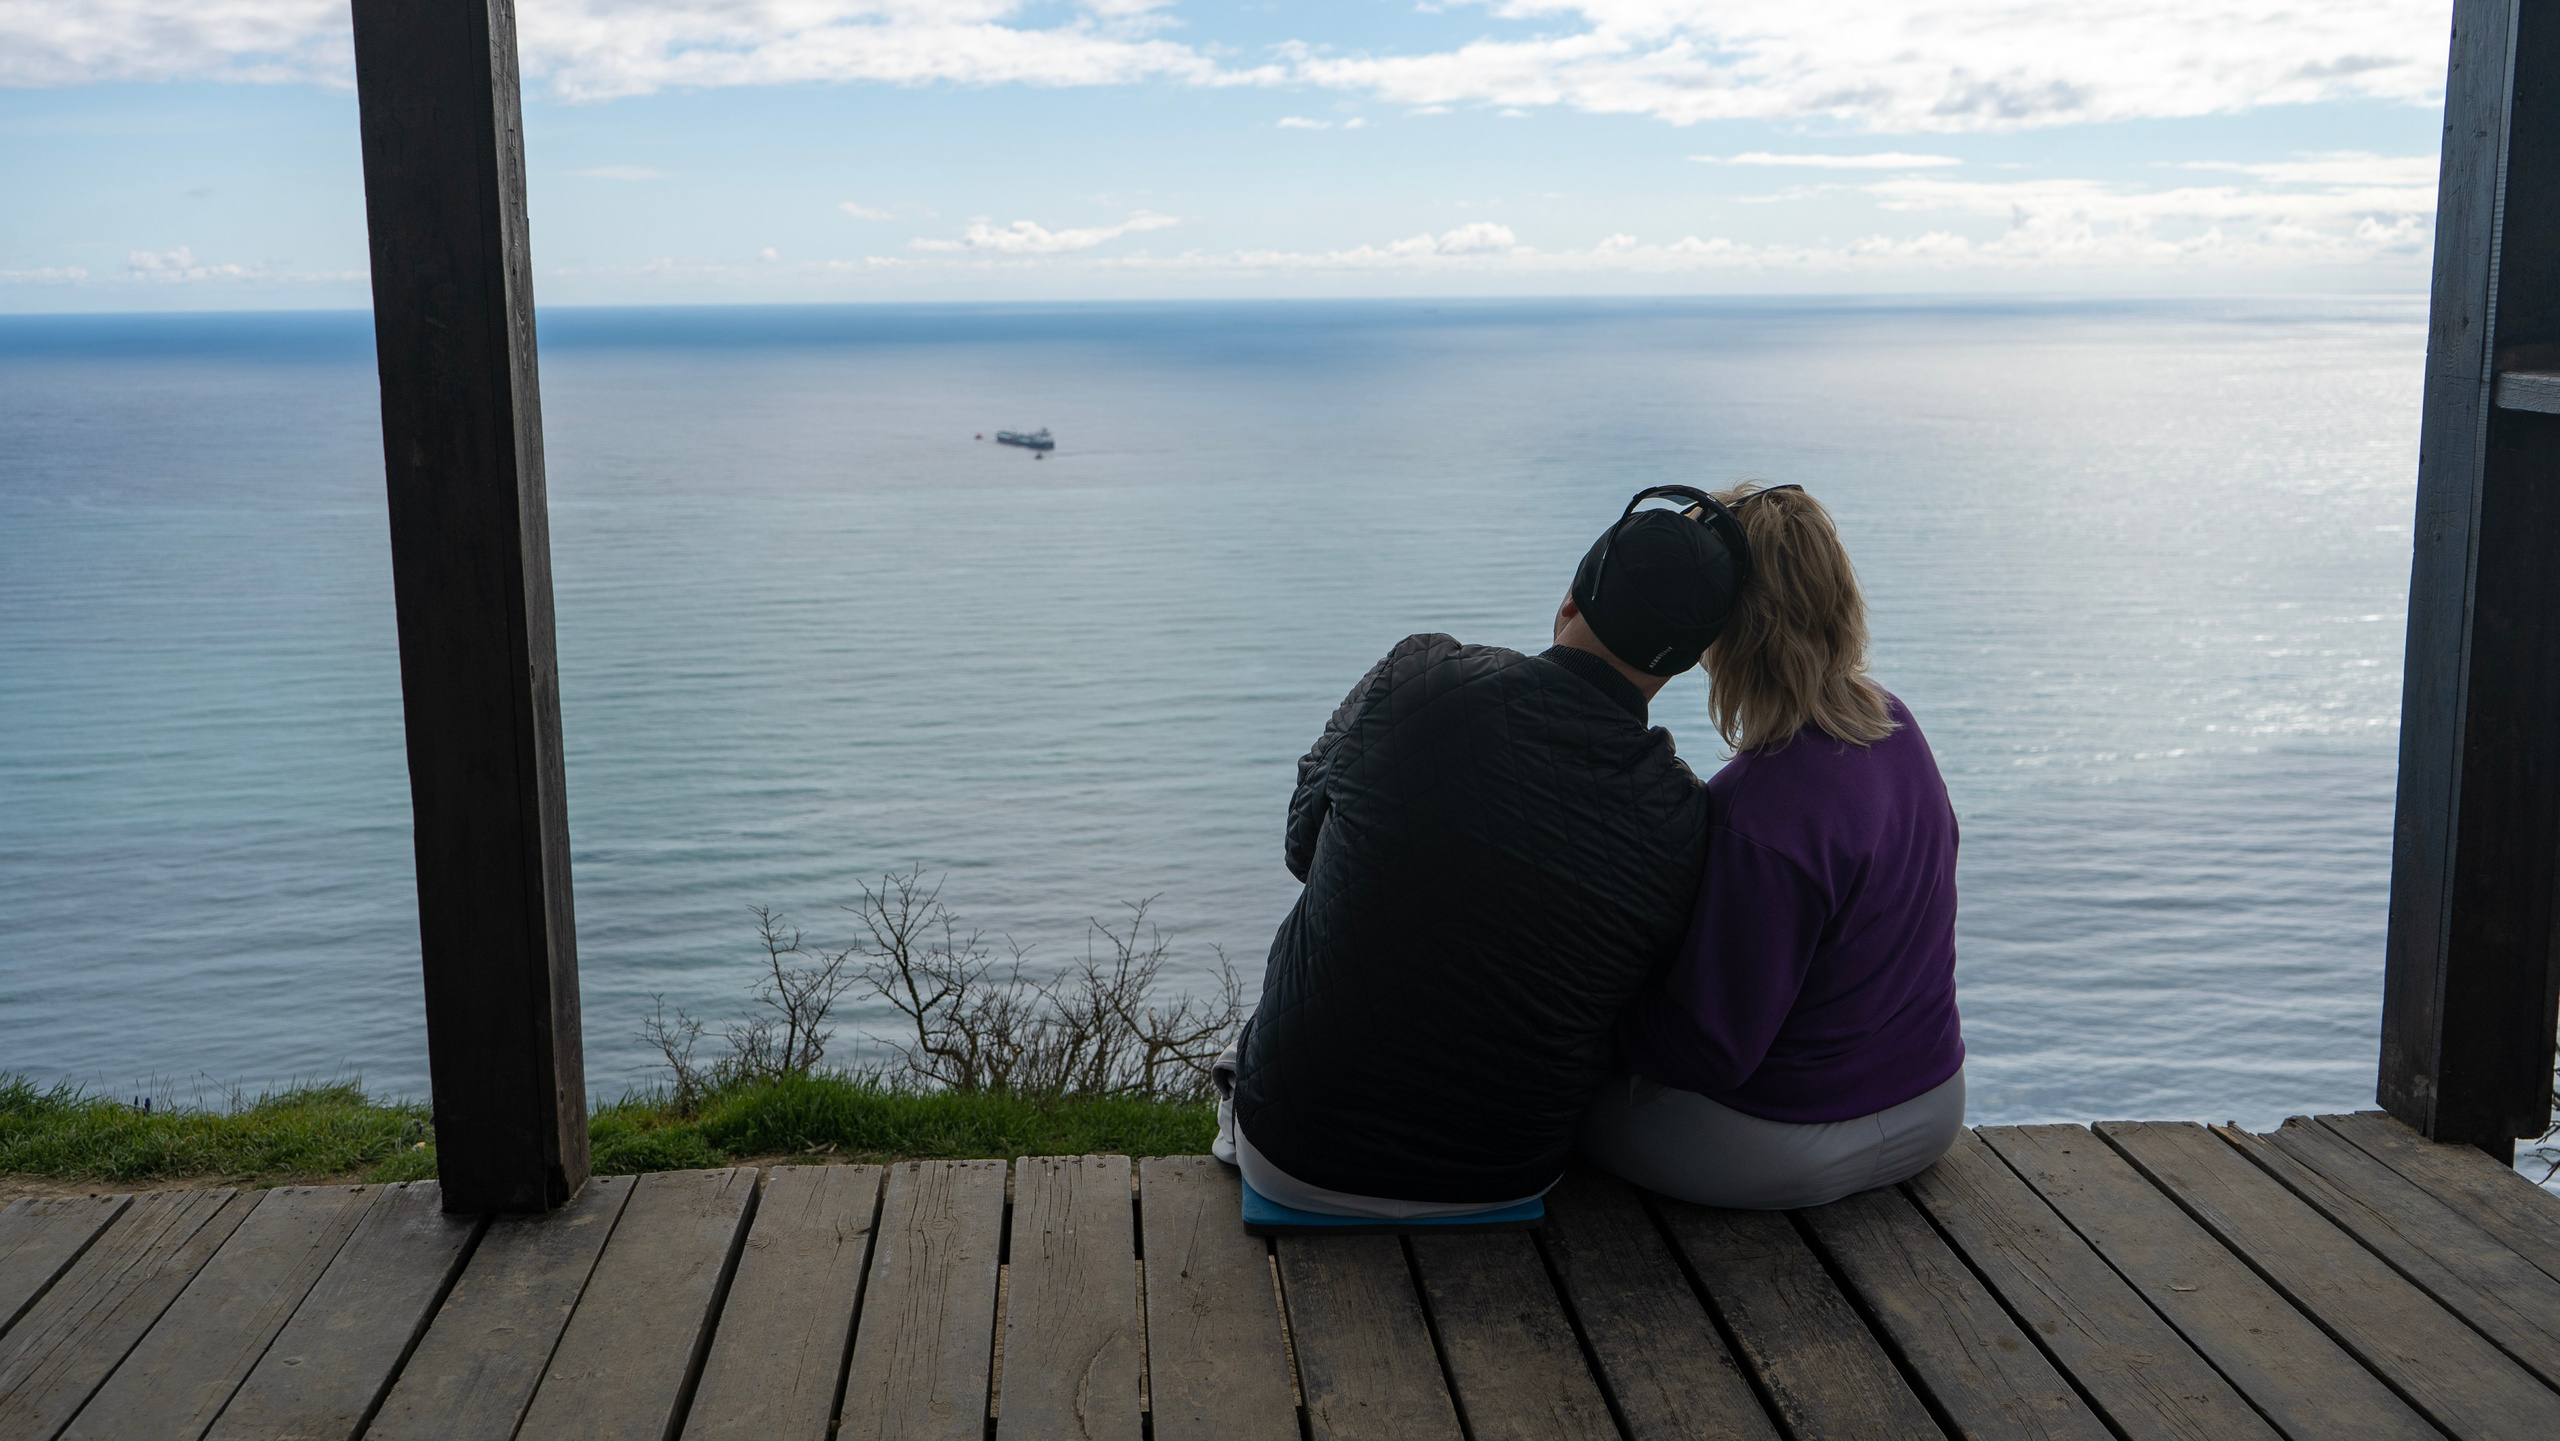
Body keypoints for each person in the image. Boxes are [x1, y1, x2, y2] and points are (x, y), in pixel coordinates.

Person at [1219, 486, 1750, 1217]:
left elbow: (1301, 844)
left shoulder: (1417, 676)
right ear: (1689, 664)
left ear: (1572, 598)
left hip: (1293, 1152)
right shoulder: (1683, 816)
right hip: (1504, 1174)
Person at [1582, 482, 1964, 1210]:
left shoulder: (1753, 810)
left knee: (1556, 1101)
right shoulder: (1897, 726)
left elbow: (1710, 1046)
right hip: (1934, 1102)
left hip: (1789, 1142)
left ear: (1723, 626)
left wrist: (1592, 1018)